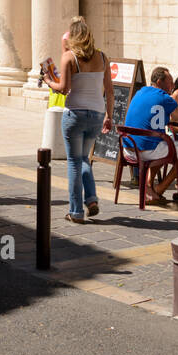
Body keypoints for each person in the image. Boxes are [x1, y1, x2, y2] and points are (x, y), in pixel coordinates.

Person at [44, 17, 114, 223]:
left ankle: (75, 211)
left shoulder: (69, 57)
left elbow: (64, 89)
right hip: (97, 114)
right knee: (84, 158)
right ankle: (91, 199)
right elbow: (109, 91)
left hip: (75, 113)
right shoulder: (102, 57)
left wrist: (48, 80)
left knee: (74, 162)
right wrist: (109, 115)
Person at [122, 66, 178, 204]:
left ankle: (149, 187)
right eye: (170, 81)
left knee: (161, 144)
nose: (173, 85)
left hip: (128, 149)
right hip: (146, 150)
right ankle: (160, 189)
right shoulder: (164, 98)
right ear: (160, 82)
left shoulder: (140, 92)